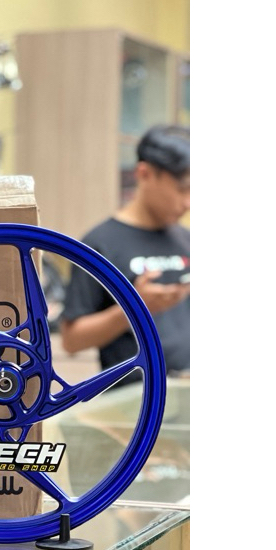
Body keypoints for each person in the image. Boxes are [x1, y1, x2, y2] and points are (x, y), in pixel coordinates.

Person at [60, 125, 190, 376]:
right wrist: (134, 308)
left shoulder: (188, 240)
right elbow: (71, 340)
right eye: (182, 189)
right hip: (136, 397)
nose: (188, 202)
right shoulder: (100, 243)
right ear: (145, 173)